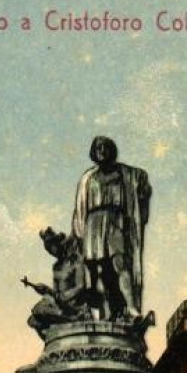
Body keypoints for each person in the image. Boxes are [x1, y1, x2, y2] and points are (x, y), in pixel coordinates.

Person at [72, 136, 151, 321]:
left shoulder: (125, 174)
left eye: (105, 147)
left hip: (115, 221)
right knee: (99, 270)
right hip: (93, 223)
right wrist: (78, 234)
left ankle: (132, 308)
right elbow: (80, 208)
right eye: (98, 147)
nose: (102, 150)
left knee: (120, 263)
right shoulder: (88, 178)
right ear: (93, 152)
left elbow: (142, 184)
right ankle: (105, 313)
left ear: (112, 150)